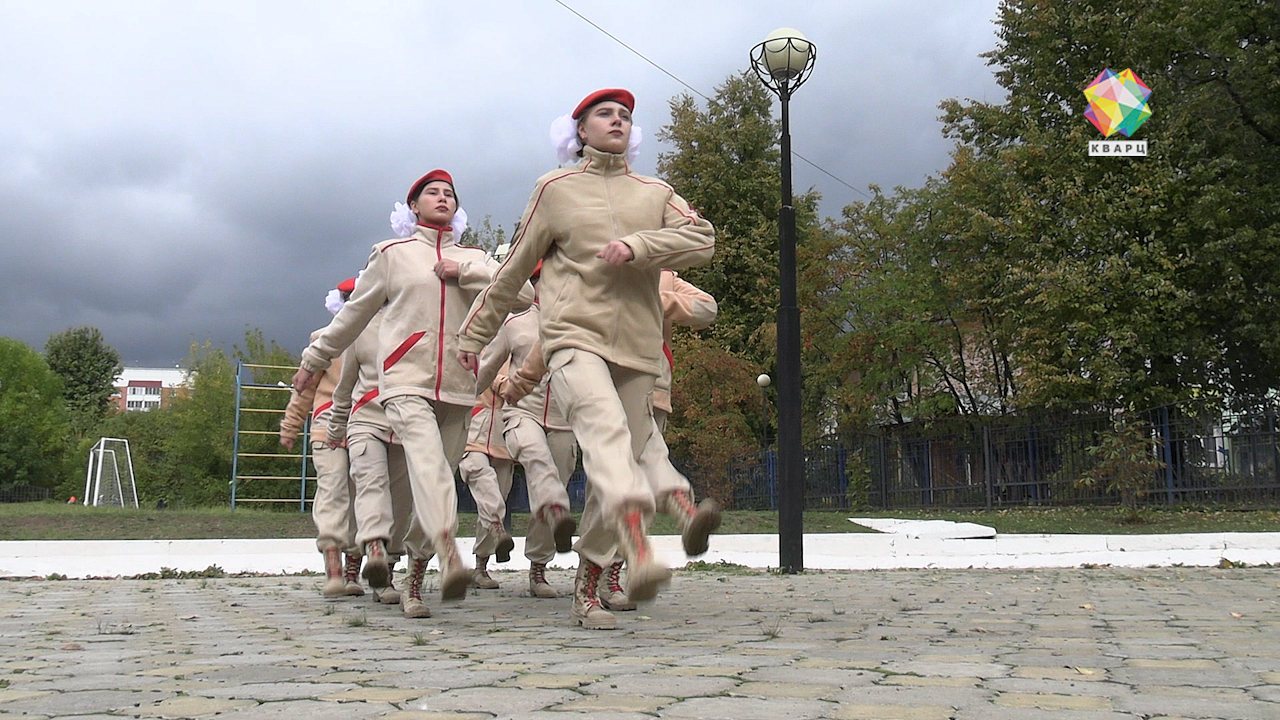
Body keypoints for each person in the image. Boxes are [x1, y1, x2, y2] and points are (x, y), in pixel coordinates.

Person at [458, 88, 715, 630]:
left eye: (626, 116)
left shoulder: (656, 192)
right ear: (580, 131)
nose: (618, 120)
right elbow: (511, 273)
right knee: (606, 439)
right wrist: (473, 334)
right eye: (605, 114)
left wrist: (640, 248)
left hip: (640, 351)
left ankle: (591, 582)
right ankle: (639, 550)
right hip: (574, 338)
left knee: (619, 475)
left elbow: (701, 241)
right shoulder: (555, 189)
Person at [292, 170, 533, 605]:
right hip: (404, 381)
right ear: (414, 207)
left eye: (449, 194)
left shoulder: (476, 257)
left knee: (433, 476)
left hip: (461, 387)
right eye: (431, 193)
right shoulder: (391, 254)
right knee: (432, 469)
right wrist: (315, 358)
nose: (442, 198)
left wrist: (467, 272)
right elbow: (353, 317)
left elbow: (524, 294)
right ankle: (447, 550)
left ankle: (415, 582)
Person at [326, 305, 421, 614]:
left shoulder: (419, 323)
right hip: (366, 421)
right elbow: (344, 387)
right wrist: (336, 427)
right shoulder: (361, 330)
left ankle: (385, 575)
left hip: (405, 426)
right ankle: (374, 547)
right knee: (371, 486)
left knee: (401, 503)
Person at [281, 278, 361, 598]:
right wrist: (290, 425)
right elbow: (304, 391)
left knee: (363, 494)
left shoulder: (381, 339)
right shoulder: (322, 341)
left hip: (366, 424)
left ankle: (355, 568)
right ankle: (333, 565)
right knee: (333, 487)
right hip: (327, 423)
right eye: (351, 299)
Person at [457, 360, 516, 590]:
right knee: (483, 481)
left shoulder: (515, 345)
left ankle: (481, 566)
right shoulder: (471, 343)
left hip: (502, 434)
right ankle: (497, 528)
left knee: (497, 494)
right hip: (472, 430)